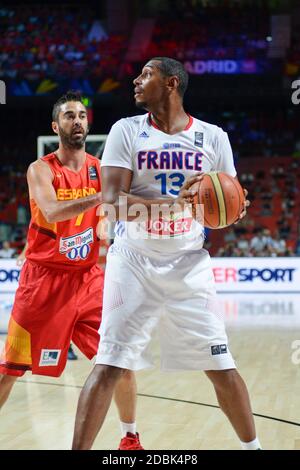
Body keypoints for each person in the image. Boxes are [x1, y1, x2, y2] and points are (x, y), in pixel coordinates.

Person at [72, 58, 261, 450]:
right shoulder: (127, 131)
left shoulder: (213, 137)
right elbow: (110, 204)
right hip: (133, 259)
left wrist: (235, 207)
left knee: (222, 366)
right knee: (108, 363)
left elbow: (228, 201)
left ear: (171, 83)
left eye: (146, 75)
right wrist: (175, 205)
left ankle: (253, 449)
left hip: (189, 264)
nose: (136, 81)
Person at [0, 91, 142, 451]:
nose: (76, 121)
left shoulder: (100, 168)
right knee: (10, 370)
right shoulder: (41, 169)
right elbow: (51, 211)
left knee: (119, 360)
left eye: (81, 115)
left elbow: (126, 205)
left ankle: (130, 437)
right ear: (55, 125)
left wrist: (177, 205)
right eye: (68, 116)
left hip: (88, 279)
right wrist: (101, 197)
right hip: (43, 282)